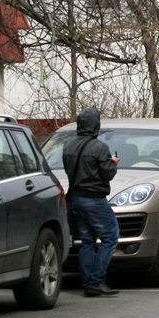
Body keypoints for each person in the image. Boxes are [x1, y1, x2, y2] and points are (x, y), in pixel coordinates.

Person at [63, 107, 120, 298]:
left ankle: (88, 282)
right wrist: (113, 162)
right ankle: (96, 281)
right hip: (94, 198)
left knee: (87, 241)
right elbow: (108, 174)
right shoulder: (99, 147)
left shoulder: (68, 145)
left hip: (75, 198)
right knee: (111, 236)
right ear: (96, 126)